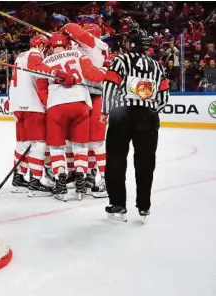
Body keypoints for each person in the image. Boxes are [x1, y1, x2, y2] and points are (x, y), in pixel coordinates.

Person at [100, 29, 169, 222]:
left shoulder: (121, 60)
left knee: (115, 159)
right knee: (146, 161)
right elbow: (164, 95)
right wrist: (152, 110)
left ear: (130, 43)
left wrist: (105, 111)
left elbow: (109, 86)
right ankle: (144, 206)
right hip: (147, 116)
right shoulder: (157, 65)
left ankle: (118, 204)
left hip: (122, 114)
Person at [41, 33, 106, 201]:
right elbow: (93, 75)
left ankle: (61, 186)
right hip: (80, 103)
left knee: (56, 148)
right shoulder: (78, 54)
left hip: (56, 106)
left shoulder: (45, 62)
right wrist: (106, 72)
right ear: (68, 44)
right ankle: (80, 185)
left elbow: (41, 90)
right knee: (81, 146)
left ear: (51, 47)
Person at [8, 34, 75, 196]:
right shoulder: (34, 53)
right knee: (39, 143)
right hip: (31, 105)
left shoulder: (20, 56)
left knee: (24, 143)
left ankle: (19, 177)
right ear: (42, 46)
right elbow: (36, 67)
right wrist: (56, 72)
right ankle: (35, 181)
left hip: (17, 104)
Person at [61, 22, 109, 198]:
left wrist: (64, 29)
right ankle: (81, 172)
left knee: (94, 140)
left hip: (94, 93)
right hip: (81, 94)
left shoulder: (94, 42)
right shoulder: (87, 47)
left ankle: (95, 175)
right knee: (80, 138)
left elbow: (73, 29)